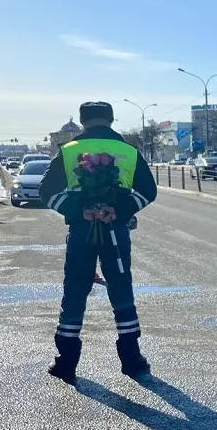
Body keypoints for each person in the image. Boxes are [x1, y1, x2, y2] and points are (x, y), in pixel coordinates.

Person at [39, 101, 158, 384]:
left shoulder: (69, 151)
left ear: (82, 121)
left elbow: (46, 190)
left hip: (81, 232)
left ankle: (66, 361)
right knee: (121, 292)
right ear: (112, 119)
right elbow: (148, 191)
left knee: (75, 293)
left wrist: (78, 211)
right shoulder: (128, 150)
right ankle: (131, 360)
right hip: (115, 231)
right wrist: (120, 210)